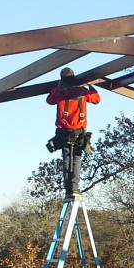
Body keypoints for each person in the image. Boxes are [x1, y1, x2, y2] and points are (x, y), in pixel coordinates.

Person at [46, 67, 100, 197]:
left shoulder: (58, 92)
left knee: (66, 158)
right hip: (79, 131)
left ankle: (68, 188)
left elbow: (49, 100)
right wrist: (90, 86)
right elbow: (96, 99)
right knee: (76, 158)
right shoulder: (83, 91)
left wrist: (57, 87)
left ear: (62, 79)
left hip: (64, 131)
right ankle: (75, 187)